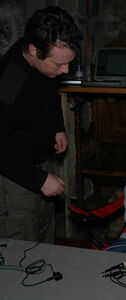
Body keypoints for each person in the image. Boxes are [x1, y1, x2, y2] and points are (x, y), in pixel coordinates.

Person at [0, 7, 82, 242]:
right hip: (13, 177)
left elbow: (49, 88)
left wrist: (57, 126)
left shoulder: (35, 52)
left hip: (38, 163)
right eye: (59, 64)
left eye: (69, 63)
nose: (65, 70)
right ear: (34, 51)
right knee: (23, 252)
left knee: (46, 246)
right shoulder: (8, 89)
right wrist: (39, 180)